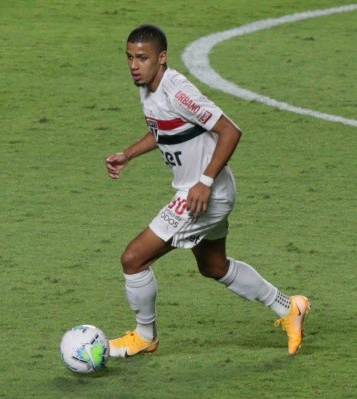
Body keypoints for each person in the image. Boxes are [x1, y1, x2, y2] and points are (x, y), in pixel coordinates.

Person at [105, 24, 310, 357]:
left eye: (142, 58)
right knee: (214, 266)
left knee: (133, 259)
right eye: (129, 57)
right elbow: (163, 130)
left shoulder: (178, 91)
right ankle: (290, 308)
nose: (133, 65)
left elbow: (230, 131)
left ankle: (145, 336)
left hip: (203, 195)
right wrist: (127, 154)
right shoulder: (148, 88)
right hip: (207, 191)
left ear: (162, 58)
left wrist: (205, 181)